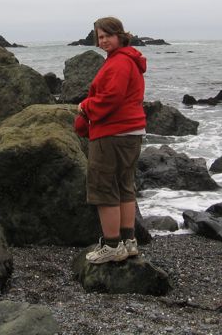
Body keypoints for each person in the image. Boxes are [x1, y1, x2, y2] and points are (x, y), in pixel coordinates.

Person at [74, 17, 146, 264]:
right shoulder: (129, 59)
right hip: (131, 132)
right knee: (124, 185)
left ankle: (113, 246)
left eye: (108, 35)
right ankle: (128, 242)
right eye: (100, 37)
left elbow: (111, 97)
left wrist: (85, 107)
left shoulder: (119, 62)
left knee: (104, 188)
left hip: (112, 134)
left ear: (120, 35)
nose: (103, 40)